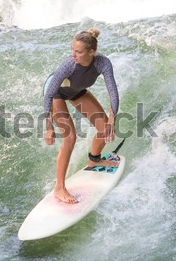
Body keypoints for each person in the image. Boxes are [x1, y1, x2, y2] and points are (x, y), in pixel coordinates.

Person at [43, 28, 119, 204]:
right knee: (70, 137)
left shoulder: (102, 64)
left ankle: (94, 160)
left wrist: (112, 119)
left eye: (78, 51)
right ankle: (59, 188)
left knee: (104, 127)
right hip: (56, 94)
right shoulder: (68, 65)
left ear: (91, 52)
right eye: (73, 50)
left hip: (77, 92)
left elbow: (113, 93)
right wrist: (49, 126)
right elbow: (48, 94)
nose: (73, 55)